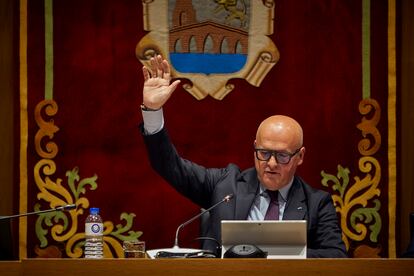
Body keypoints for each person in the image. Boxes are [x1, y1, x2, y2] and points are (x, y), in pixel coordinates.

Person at [139, 55, 347, 258]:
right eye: (264, 153)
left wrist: (277, 255)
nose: (271, 164)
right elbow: (170, 166)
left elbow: (336, 256)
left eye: (282, 156)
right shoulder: (226, 185)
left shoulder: (317, 204)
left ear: (300, 156)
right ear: (255, 147)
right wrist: (153, 111)